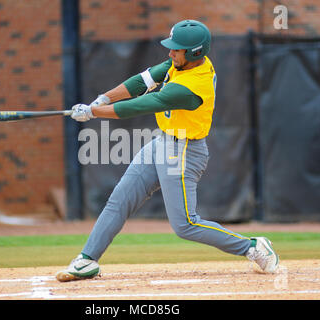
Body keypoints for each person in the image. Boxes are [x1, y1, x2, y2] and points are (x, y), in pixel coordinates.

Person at [56, 20, 279, 282]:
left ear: (194, 52)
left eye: (177, 49)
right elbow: (142, 81)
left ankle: (252, 247)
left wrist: (93, 113)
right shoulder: (178, 65)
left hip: (184, 151)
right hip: (161, 143)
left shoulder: (194, 84)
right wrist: (103, 99)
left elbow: (140, 105)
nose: (171, 53)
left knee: (185, 225)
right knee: (119, 200)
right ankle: (87, 259)